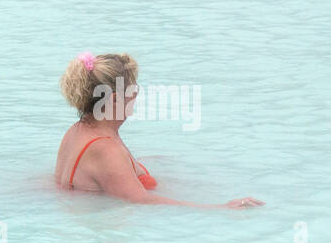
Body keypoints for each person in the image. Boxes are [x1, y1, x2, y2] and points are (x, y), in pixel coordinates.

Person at [55, 52, 263, 209]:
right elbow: (141, 202)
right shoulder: (105, 150)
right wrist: (221, 208)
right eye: (134, 91)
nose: (136, 97)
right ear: (116, 100)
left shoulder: (76, 131)